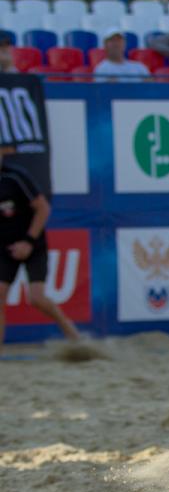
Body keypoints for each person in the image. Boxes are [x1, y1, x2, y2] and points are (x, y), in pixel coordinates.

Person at [0, 149, 82, 349]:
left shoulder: (15, 177)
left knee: (37, 298)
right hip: (6, 248)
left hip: (33, 244)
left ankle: (74, 335)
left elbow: (43, 208)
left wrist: (28, 241)